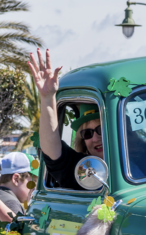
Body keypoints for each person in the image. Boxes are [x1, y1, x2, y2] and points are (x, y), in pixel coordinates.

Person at [28, 49, 102, 190]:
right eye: (87, 133)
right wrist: (47, 98)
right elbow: (53, 153)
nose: (95, 138)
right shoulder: (80, 168)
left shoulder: (144, 162)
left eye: (100, 130)